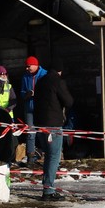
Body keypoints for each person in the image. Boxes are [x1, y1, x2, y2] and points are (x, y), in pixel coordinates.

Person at [32, 64, 74, 200]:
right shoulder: (58, 81)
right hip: (53, 124)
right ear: (59, 70)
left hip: (40, 124)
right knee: (54, 157)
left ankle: (47, 187)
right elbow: (68, 101)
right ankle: (48, 191)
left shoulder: (40, 81)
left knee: (48, 157)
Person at [18, 56, 46, 165]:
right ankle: (30, 156)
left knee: (43, 132)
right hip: (29, 108)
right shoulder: (25, 76)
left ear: (35, 65)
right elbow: (22, 92)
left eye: (28, 66)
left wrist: (38, 94)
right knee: (30, 132)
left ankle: (46, 153)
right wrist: (27, 94)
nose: (27, 68)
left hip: (42, 109)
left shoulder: (45, 75)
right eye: (26, 66)